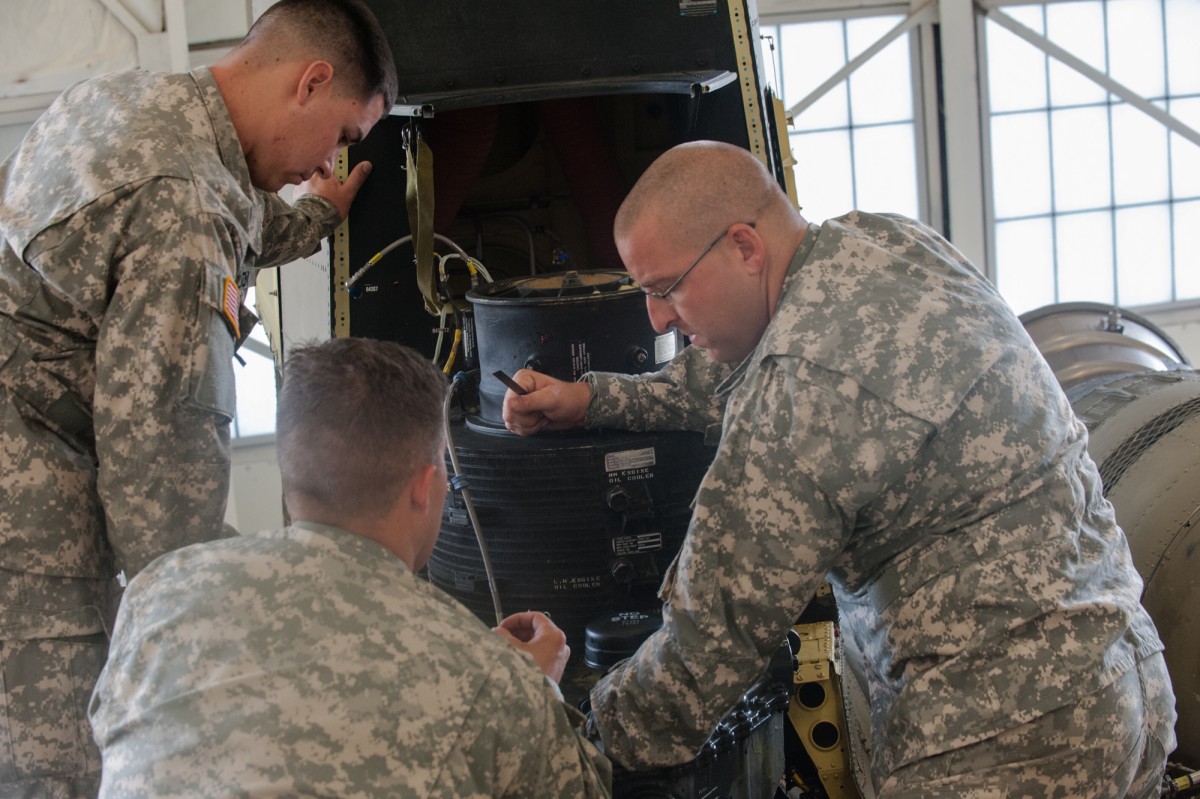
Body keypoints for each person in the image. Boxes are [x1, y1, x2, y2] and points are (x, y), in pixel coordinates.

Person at [501, 140, 1177, 797]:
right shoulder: (885, 245)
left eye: (667, 287)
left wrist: (567, 739)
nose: (655, 319)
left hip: (1002, 742)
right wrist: (594, 397)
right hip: (1124, 681)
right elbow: (757, 366)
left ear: (743, 246)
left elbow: (705, 651)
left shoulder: (800, 389)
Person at [0, 1, 396, 794]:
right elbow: (160, 488)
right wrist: (258, 632)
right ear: (311, 82)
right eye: (344, 136)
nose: (329, 157)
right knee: (66, 767)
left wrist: (316, 214)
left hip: (35, 447)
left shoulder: (132, 106)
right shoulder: (185, 205)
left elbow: (240, 214)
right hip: (29, 509)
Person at [87, 337, 612, 798]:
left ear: (289, 470)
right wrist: (533, 685)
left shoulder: (158, 590)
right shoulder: (491, 679)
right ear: (424, 487)